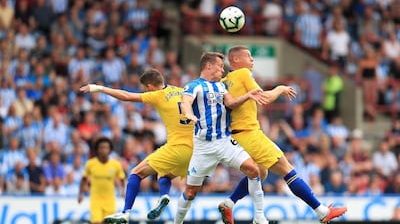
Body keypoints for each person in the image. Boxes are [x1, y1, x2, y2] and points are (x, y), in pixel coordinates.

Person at [218, 45, 347, 224]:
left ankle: (229, 203)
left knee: (260, 174)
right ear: (235, 60)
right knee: (287, 169)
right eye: (248, 56)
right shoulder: (243, 74)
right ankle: (322, 211)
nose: (252, 60)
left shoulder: (224, 81)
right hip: (249, 134)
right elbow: (263, 98)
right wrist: (280, 89)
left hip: (236, 136)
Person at [79, 68, 195, 223]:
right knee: (163, 174)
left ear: (150, 86)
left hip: (177, 146)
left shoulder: (158, 95)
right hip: (195, 151)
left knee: (136, 173)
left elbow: (126, 96)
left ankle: (126, 212)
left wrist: (99, 88)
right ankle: (164, 196)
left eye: (145, 88)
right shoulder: (183, 91)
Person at [175, 52, 269, 224]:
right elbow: (185, 102)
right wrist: (189, 114)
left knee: (253, 170)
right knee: (190, 193)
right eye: (219, 66)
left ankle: (259, 216)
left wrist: (248, 96)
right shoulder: (194, 85)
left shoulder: (221, 87)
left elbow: (231, 103)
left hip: (225, 141)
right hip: (203, 147)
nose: (222, 69)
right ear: (208, 66)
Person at [77, 137, 126, 224]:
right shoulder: (90, 164)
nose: (104, 150)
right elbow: (84, 179)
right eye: (101, 148)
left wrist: (124, 191)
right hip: (96, 200)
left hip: (110, 200)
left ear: (110, 150)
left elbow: (122, 179)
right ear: (97, 149)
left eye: (106, 148)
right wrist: (80, 194)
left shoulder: (115, 164)